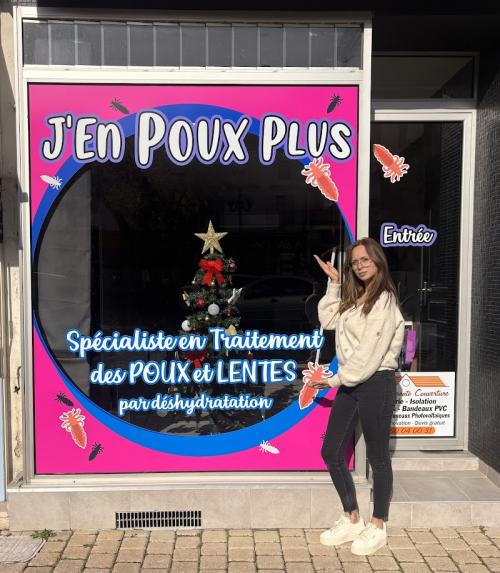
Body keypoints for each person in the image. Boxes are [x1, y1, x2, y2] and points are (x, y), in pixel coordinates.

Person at [311, 237, 405, 556]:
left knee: (378, 457)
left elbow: (368, 355)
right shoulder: (357, 298)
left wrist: (333, 380)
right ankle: (352, 517)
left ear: (378, 261)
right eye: (355, 262)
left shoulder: (384, 301)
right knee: (331, 451)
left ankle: (378, 525)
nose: (360, 266)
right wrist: (334, 284)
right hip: (352, 382)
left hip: (376, 382)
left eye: (365, 259)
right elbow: (328, 320)